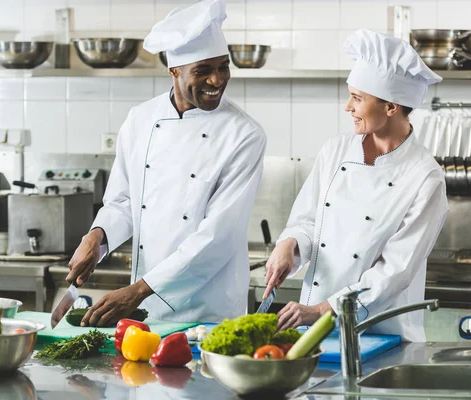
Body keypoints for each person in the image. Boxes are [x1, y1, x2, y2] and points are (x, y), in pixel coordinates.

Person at [63, 0, 266, 327]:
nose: (217, 80)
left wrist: (139, 290)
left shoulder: (244, 134)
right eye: (203, 70)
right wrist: (97, 238)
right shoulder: (141, 119)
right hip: (146, 309)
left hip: (208, 311)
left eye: (223, 67)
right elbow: (124, 202)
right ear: (174, 71)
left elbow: (219, 236)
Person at [264, 29, 448, 342]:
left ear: (391, 106)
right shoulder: (335, 150)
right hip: (313, 333)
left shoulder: (425, 178)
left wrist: (323, 310)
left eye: (357, 98)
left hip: (380, 336)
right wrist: (290, 244)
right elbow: (308, 221)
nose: (347, 106)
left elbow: (394, 272)